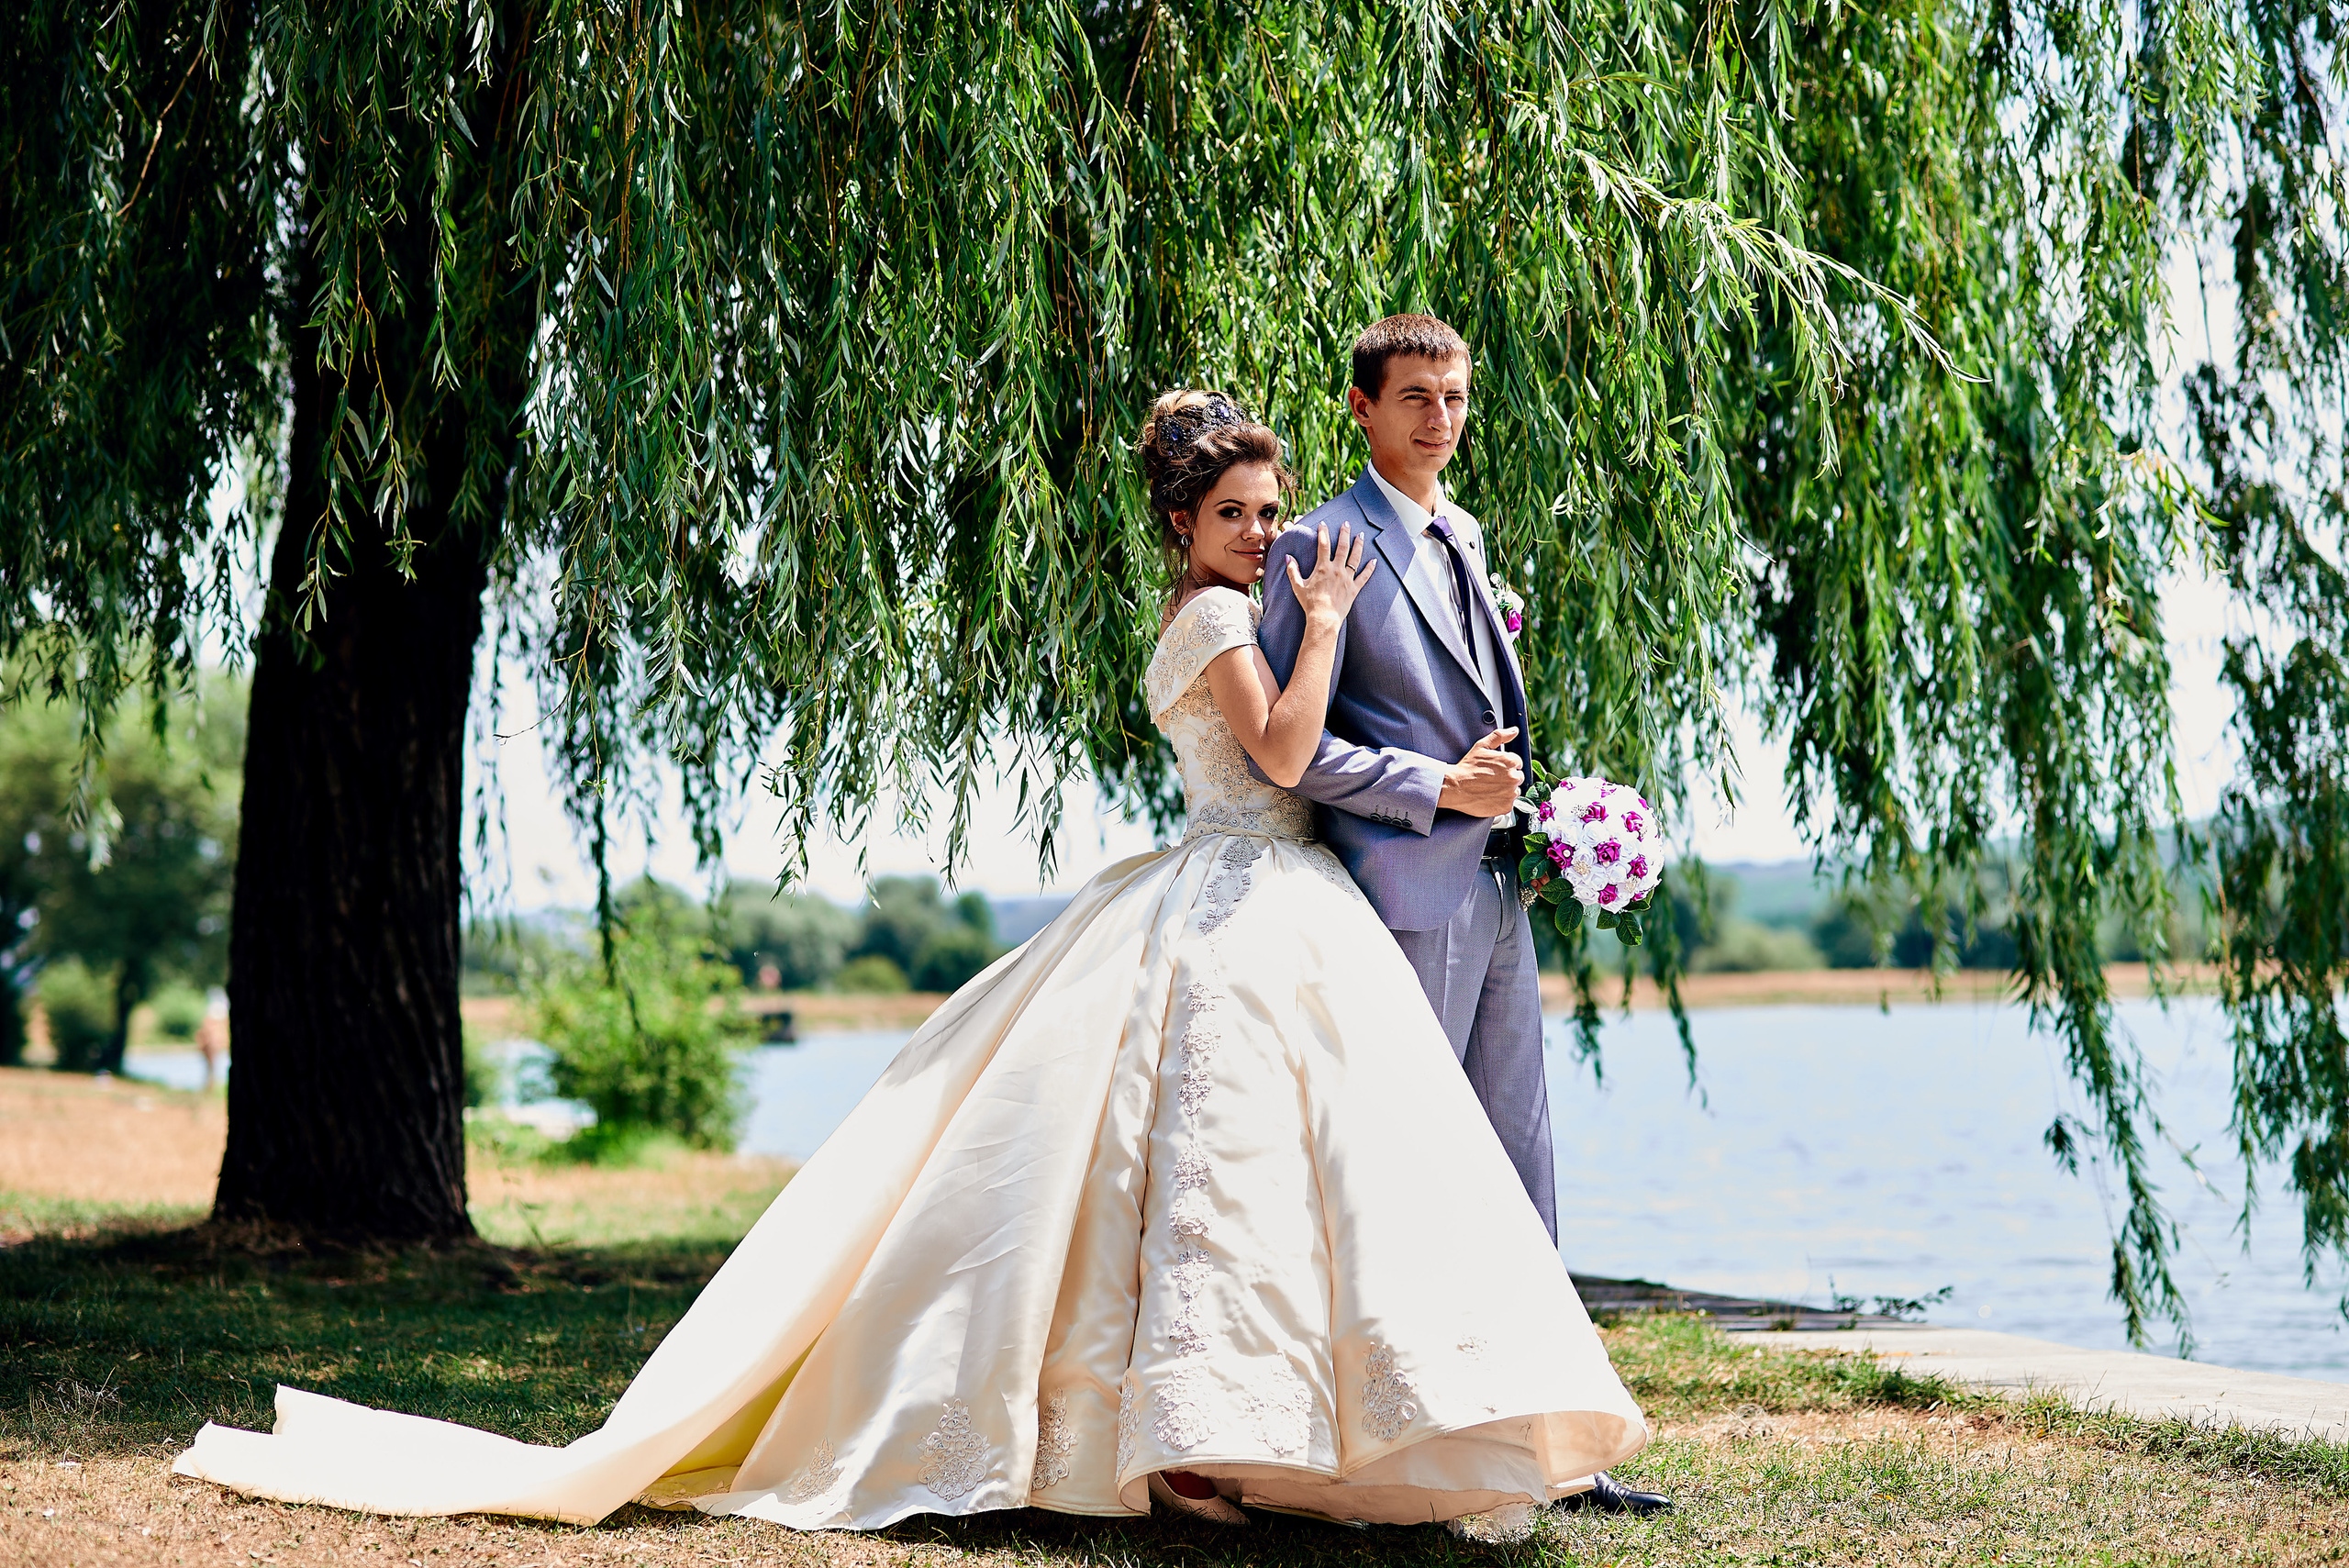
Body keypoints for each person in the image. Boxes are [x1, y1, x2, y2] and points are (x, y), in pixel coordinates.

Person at [173, 390, 1649, 1540]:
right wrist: (1326, 619)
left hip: (1271, 890)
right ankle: (1190, 1449)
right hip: (1237, 896)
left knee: (1250, 1175)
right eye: (1239, 512)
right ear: (1184, 521)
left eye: (1272, 512)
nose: (1266, 534)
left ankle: (1241, 1438)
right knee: (1207, 1165)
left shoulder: (1225, 604)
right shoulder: (1218, 616)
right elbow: (1274, 749)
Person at [1255, 315, 1669, 1515]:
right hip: (1400, 896)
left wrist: (1538, 822)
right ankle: (1418, 1440)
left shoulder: (1465, 533)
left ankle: (1552, 1444)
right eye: (1417, 397)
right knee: (1413, 1168)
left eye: (1456, 395)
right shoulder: (1322, 545)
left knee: (1517, 1155)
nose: (1442, 416)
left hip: (1498, 885)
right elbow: (1289, 748)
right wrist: (1432, 789)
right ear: (1361, 408)